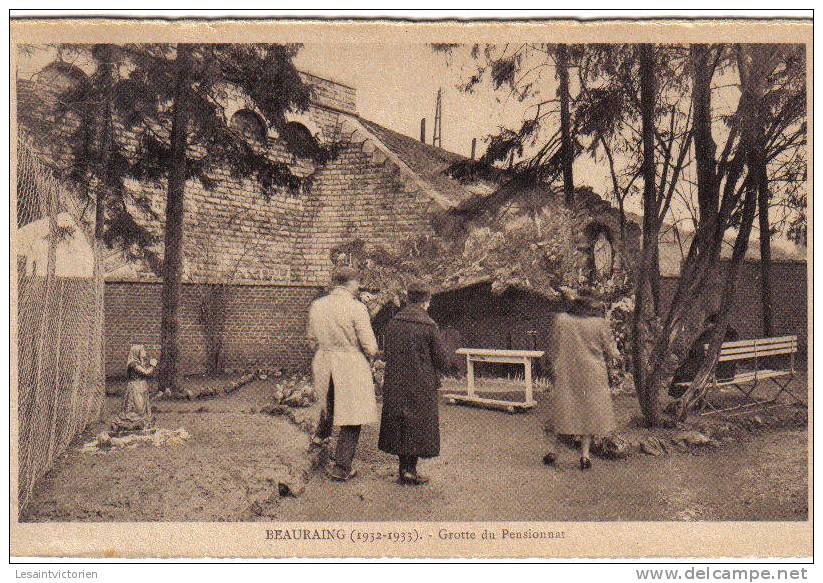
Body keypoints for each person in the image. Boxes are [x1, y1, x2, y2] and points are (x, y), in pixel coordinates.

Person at [307, 267, 379, 482]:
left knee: (327, 401)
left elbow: (311, 340)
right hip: (349, 362)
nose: (358, 287)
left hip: (324, 360)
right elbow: (370, 345)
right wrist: (370, 355)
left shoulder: (317, 306)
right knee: (353, 414)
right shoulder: (356, 307)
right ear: (350, 284)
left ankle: (319, 439)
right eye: (357, 283)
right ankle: (341, 466)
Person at [378, 281, 449, 485]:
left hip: (396, 381)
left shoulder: (393, 323)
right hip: (421, 382)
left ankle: (404, 469)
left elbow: (388, 352)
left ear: (408, 298)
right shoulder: (429, 325)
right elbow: (441, 359)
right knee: (417, 425)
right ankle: (410, 470)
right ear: (426, 301)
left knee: (401, 423)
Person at [543, 299, 619, 471]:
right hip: (592, 374)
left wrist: (554, 365)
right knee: (588, 413)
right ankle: (585, 456)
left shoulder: (562, 320)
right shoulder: (599, 323)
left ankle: (553, 452)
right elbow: (612, 352)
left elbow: (553, 346)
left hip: (568, 371)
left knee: (564, 410)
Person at [669, 314, 739, 398]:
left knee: (682, 372)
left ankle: (681, 398)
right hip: (729, 374)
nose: (706, 326)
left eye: (708, 324)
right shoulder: (734, 334)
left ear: (712, 324)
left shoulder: (710, 334)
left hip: (713, 374)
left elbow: (695, 351)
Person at [111, 344, 156, 432]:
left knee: (142, 408)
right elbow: (146, 373)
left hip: (141, 387)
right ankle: (124, 423)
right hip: (135, 387)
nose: (145, 352)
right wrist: (152, 366)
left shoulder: (139, 363)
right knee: (137, 407)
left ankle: (140, 424)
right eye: (143, 351)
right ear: (137, 352)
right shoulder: (133, 364)